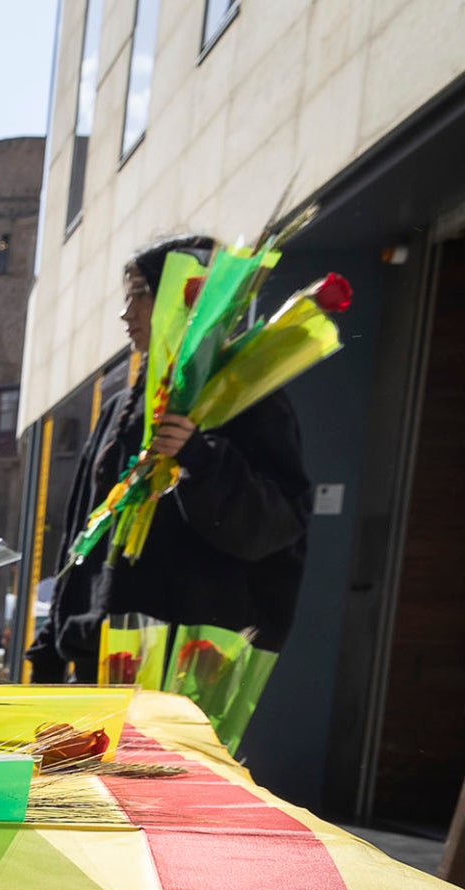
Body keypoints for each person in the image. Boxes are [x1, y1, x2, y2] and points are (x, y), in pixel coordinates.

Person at [37, 236, 312, 690]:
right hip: (99, 659)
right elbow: (82, 538)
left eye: (142, 294)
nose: (128, 314)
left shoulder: (248, 399)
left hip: (187, 668)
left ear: (189, 297)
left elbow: (276, 524)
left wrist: (200, 459)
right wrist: (48, 650)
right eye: (127, 298)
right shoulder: (120, 408)